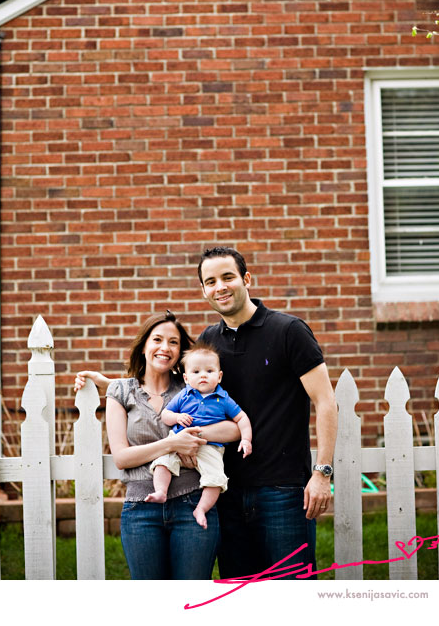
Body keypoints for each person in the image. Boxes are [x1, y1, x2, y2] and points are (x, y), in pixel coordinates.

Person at [196, 246, 338, 580]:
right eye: (211, 281)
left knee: (292, 592)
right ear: (203, 290)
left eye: (228, 277)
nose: (220, 287)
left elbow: (326, 402)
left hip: (283, 491)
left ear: (246, 279)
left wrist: (322, 473)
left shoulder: (289, 331)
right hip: (227, 492)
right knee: (240, 592)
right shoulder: (208, 341)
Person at [74, 310, 240, 580]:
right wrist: (173, 443)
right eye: (157, 340)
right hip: (141, 508)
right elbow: (122, 458)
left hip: (192, 503)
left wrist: (194, 437)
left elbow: (233, 429)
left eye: (173, 342)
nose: (165, 348)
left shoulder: (192, 387)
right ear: (143, 346)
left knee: (192, 593)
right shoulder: (121, 391)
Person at [146, 340, 253, 530]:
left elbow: (242, 418)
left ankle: (201, 509)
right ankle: (161, 491)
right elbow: (165, 415)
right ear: (186, 378)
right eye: (196, 372)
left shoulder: (223, 398)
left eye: (209, 371)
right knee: (162, 461)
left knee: (216, 478)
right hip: (178, 441)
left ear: (219, 376)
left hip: (210, 446)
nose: (203, 375)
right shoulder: (184, 395)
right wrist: (177, 417)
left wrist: (246, 439)